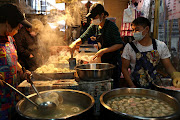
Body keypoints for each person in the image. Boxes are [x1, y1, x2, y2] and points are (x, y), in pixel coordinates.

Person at [69, 4, 124, 88]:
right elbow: (83, 37)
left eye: (94, 17)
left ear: (102, 15)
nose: (92, 20)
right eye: (92, 18)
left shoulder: (111, 26)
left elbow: (119, 44)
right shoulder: (94, 26)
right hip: (103, 60)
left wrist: (104, 50)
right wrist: (74, 43)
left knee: (112, 85)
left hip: (114, 62)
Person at [121, 17, 180, 88]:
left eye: (137, 30)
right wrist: (132, 86)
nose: (134, 33)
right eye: (133, 30)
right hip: (136, 86)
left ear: (147, 29)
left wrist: (175, 75)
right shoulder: (129, 47)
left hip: (156, 86)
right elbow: (124, 68)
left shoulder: (160, 46)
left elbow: (168, 66)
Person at [0, 4, 32, 120]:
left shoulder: (10, 39)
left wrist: (23, 71)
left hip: (12, 98)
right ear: (8, 23)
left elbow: (12, 60)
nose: (19, 28)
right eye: (18, 25)